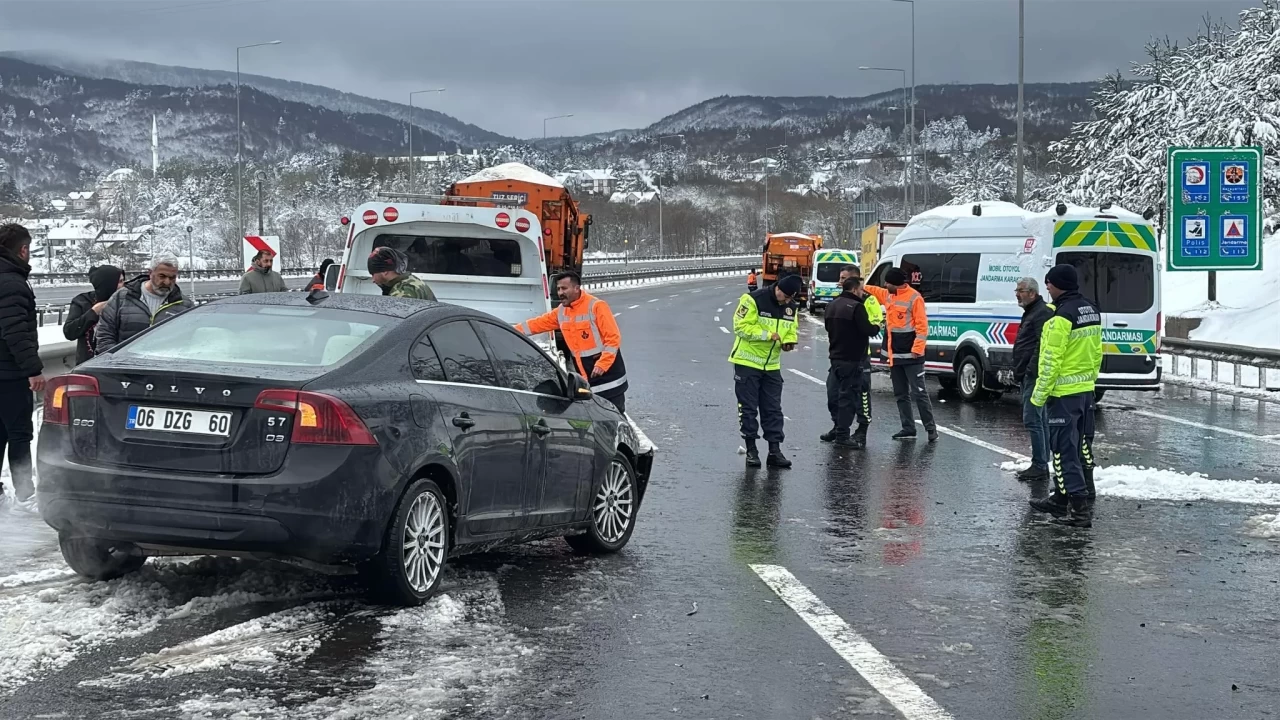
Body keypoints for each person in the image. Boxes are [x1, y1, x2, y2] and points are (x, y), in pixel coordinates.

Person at [1029, 264, 1103, 528]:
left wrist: (1038, 397)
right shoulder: (1090, 310)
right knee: (1081, 445)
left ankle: (1079, 512)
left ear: (1059, 284)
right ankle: (1061, 500)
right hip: (1084, 391)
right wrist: (1090, 383)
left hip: (1063, 394)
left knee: (1063, 452)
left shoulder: (1060, 319)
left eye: (1049, 283)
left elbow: (1051, 360)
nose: (1046, 287)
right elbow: (1097, 353)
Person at [516, 271, 628, 413]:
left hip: (608, 377)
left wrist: (602, 364)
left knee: (615, 416)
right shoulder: (562, 312)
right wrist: (511, 329)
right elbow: (536, 324)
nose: (560, 293)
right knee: (595, 418)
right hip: (586, 377)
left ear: (577, 288)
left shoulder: (596, 306)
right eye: (558, 289)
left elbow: (613, 338)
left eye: (564, 288)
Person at [729, 273, 801, 468]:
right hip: (747, 362)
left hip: (772, 366)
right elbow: (740, 327)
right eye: (783, 296)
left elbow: (791, 329)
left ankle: (774, 451)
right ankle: (751, 450)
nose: (785, 301)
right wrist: (768, 335)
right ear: (777, 288)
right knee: (748, 408)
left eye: (789, 298)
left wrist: (788, 342)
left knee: (773, 409)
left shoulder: (790, 307)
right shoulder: (753, 300)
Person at [864, 267, 938, 442]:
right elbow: (874, 290)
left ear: (895, 283)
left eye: (887, 282)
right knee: (900, 394)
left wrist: (917, 349)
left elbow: (922, 327)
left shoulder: (914, 298)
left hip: (912, 357)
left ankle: (931, 429)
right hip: (895, 354)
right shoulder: (889, 294)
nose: (885, 285)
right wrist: (857, 283)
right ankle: (908, 428)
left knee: (919, 393)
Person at [0, 223, 43, 503]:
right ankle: (25, 495)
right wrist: (32, 370)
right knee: (19, 433)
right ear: (24, 249)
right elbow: (15, 330)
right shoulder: (12, 282)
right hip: (10, 373)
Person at [820, 267, 882, 448]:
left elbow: (874, 324)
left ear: (854, 281)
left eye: (844, 278)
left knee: (861, 395)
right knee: (835, 394)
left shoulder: (868, 301)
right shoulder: (838, 301)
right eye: (840, 277)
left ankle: (861, 430)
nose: (840, 281)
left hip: (860, 357)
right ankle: (839, 428)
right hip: (841, 356)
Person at [95, 253, 195, 354]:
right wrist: (118, 361)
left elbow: (191, 344)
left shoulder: (185, 306)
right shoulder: (122, 297)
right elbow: (104, 336)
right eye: (162, 276)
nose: (167, 282)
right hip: (125, 366)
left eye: (172, 277)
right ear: (150, 273)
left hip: (166, 367)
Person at [1011, 277, 1055, 482]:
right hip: (1029, 373)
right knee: (1040, 418)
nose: (1018, 294)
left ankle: (1039, 464)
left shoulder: (1041, 313)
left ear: (1033, 293)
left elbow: (1042, 345)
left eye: (1021, 290)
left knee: (1033, 418)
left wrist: (1030, 370)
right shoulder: (1032, 311)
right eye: (1017, 290)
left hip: (1034, 375)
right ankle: (1042, 462)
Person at [63, 265, 124, 365]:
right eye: (120, 281)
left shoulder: (125, 301)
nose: (123, 286)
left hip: (117, 364)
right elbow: (69, 332)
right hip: (88, 365)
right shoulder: (82, 301)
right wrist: (94, 312)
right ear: (108, 284)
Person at [368, 246, 436, 300]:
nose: (373, 280)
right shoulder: (409, 281)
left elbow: (393, 316)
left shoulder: (404, 292)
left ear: (384, 271)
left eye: (373, 274)